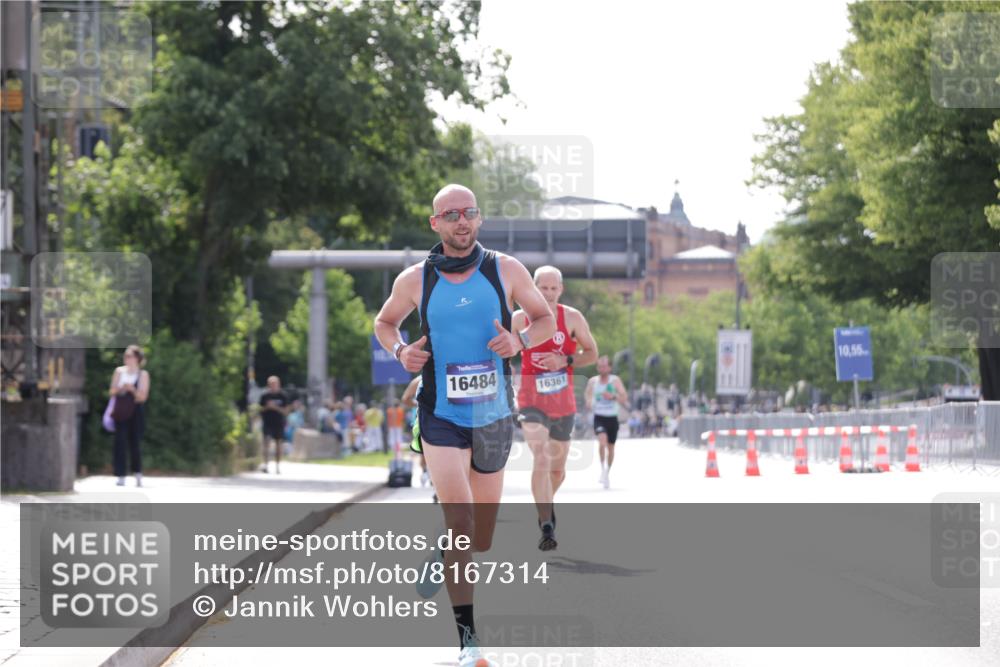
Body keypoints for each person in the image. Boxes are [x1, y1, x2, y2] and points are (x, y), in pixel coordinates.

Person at [374, 183, 555, 667]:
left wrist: (519, 344)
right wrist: (400, 353)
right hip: (441, 413)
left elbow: (543, 321)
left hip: (493, 414)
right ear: (435, 223)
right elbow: (385, 323)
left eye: (469, 212)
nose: (461, 221)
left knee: (482, 538)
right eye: (451, 214)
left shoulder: (506, 270)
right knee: (461, 523)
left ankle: (445, 551)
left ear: (479, 219)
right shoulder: (416, 279)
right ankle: (468, 641)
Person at [512, 265, 597, 551]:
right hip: (530, 400)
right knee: (542, 458)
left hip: (563, 402)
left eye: (553, 288)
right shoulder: (518, 319)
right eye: (542, 288)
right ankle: (546, 524)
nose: (547, 294)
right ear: (533, 287)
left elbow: (592, 353)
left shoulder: (571, 318)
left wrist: (566, 361)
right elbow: (502, 352)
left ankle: (543, 502)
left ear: (560, 289)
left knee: (558, 472)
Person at [108, 344, 150, 487]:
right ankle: (120, 474)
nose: (127, 359)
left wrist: (132, 389)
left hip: (135, 411)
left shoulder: (142, 375)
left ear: (137, 358)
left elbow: (142, 397)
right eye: (125, 356)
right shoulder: (119, 371)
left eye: (130, 356)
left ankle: (137, 472)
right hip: (121, 410)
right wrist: (120, 389)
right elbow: (112, 391)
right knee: (119, 442)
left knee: (135, 443)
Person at [584, 356, 628, 489]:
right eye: (599, 366)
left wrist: (613, 396)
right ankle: (602, 468)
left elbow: (624, 397)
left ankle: (607, 472)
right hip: (599, 416)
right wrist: (589, 401)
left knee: (611, 447)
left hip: (612, 417)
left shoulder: (615, 381)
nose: (602, 368)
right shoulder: (593, 381)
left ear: (609, 367)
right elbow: (588, 395)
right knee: (602, 441)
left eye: (604, 366)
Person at [258, 376, 289, 474]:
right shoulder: (264, 396)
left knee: (278, 445)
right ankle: (266, 465)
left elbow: (286, 411)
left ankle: (278, 466)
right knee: (266, 443)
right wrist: (267, 407)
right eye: (271, 384)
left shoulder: (282, 396)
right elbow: (260, 409)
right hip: (267, 422)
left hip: (279, 423)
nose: (273, 386)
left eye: (275, 384)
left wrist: (275, 407)